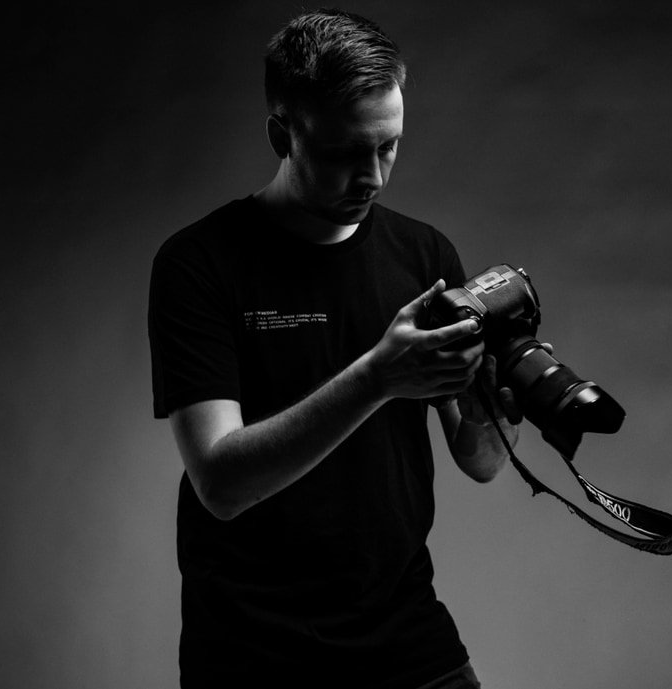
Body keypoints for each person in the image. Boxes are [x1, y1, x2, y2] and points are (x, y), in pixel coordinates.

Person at [148, 9, 523, 688]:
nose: (372, 176)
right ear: (281, 135)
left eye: (388, 147)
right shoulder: (199, 264)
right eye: (346, 152)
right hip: (251, 651)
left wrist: (498, 407)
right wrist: (378, 376)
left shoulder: (424, 254)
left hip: (405, 634)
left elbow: (481, 461)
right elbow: (221, 485)